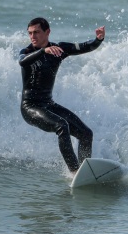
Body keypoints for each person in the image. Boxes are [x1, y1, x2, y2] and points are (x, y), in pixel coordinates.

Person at [19, 17, 105, 173]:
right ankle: (74, 171)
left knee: (86, 134)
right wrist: (42, 51)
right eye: (30, 33)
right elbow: (22, 62)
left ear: (47, 32)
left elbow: (86, 46)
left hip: (48, 105)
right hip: (30, 107)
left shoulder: (59, 49)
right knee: (61, 125)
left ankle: (85, 171)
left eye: (37, 32)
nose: (33, 36)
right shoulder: (27, 52)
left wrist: (98, 40)